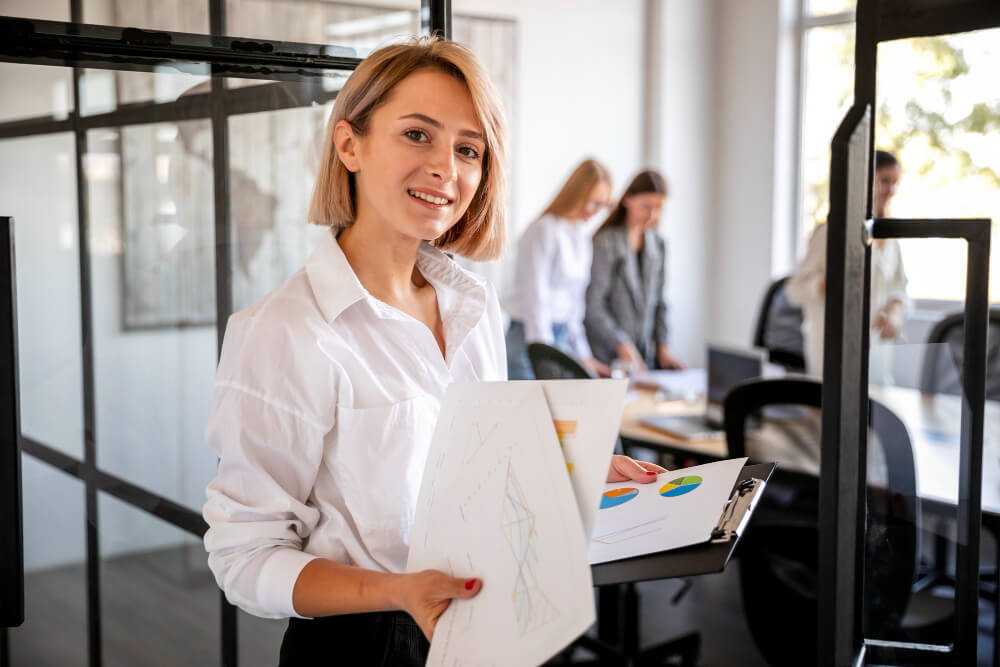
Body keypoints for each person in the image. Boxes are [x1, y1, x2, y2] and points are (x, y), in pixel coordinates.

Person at [201, 38, 666, 667]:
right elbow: (245, 560)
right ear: (350, 145)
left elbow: (472, 467)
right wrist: (396, 591)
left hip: (485, 618)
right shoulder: (284, 331)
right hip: (365, 642)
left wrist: (567, 464)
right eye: (418, 135)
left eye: (468, 149)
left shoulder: (474, 308)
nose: (447, 167)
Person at [786, 149, 909, 381]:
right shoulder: (831, 233)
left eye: (895, 184)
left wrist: (894, 312)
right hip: (833, 349)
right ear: (865, 180)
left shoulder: (890, 235)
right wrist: (824, 284)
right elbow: (794, 290)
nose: (890, 191)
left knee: (874, 409)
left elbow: (899, 288)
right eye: (884, 181)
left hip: (876, 352)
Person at [505, 158, 612, 379]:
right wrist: (543, 354)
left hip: (560, 336)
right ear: (577, 194)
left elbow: (575, 303)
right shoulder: (543, 230)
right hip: (529, 336)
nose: (595, 211)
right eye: (593, 202)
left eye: (602, 205)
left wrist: (584, 355)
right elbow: (535, 298)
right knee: (532, 410)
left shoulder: (582, 236)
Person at [584, 169, 685, 373]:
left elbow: (660, 302)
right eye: (646, 206)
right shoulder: (604, 242)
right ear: (628, 200)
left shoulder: (659, 245)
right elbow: (594, 306)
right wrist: (621, 343)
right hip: (607, 357)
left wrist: (663, 347)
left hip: (643, 358)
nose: (652, 215)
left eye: (658, 208)